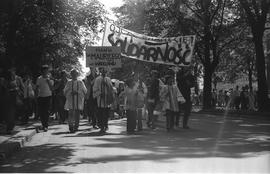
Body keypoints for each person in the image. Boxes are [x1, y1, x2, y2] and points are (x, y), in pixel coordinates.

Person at [93, 68, 113, 133]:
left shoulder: (108, 79)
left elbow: (111, 88)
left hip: (107, 99)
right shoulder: (98, 79)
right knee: (101, 113)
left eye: (105, 71)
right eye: (103, 71)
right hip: (100, 98)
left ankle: (106, 125)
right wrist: (99, 93)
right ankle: (101, 126)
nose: (104, 72)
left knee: (106, 113)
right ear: (101, 72)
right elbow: (95, 89)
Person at [36, 65, 54, 132]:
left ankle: (45, 126)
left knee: (46, 112)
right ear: (42, 71)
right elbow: (37, 88)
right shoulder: (39, 78)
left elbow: (52, 89)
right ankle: (43, 124)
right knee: (41, 112)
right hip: (40, 97)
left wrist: (48, 81)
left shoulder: (50, 78)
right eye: (44, 71)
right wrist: (36, 96)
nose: (45, 72)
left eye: (47, 71)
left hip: (48, 96)